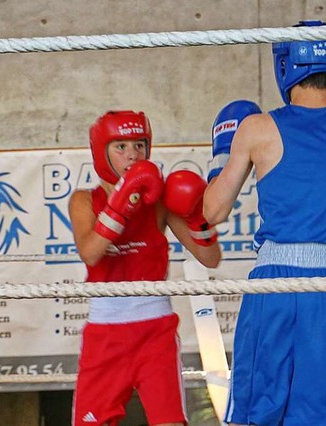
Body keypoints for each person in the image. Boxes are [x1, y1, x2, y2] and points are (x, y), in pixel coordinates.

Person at [203, 20, 326, 426]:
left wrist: (221, 157)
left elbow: (212, 212)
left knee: (260, 413)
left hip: (275, 285)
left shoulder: (257, 129)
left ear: (285, 62)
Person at [69, 110, 221, 426]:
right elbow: (91, 253)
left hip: (155, 330)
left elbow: (211, 259)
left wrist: (197, 217)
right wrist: (121, 203)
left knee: (169, 421)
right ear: (102, 152)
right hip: (105, 333)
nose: (132, 154)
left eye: (139, 145)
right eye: (120, 146)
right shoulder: (84, 200)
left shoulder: (160, 202)